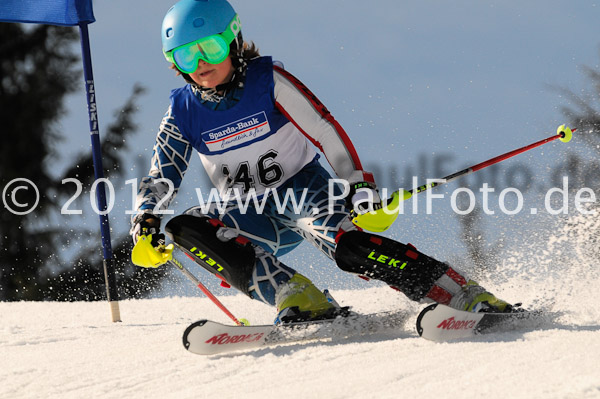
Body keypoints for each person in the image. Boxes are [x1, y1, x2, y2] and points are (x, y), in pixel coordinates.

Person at [130, 0, 512, 323]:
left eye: (209, 49)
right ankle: (296, 295)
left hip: (304, 192)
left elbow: (325, 129)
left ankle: (459, 293)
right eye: (185, 54)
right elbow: (162, 173)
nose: (199, 63)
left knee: (348, 247)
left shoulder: (269, 82)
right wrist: (146, 219)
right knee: (185, 226)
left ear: (233, 42)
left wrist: (358, 185)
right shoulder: (181, 112)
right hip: (250, 212)